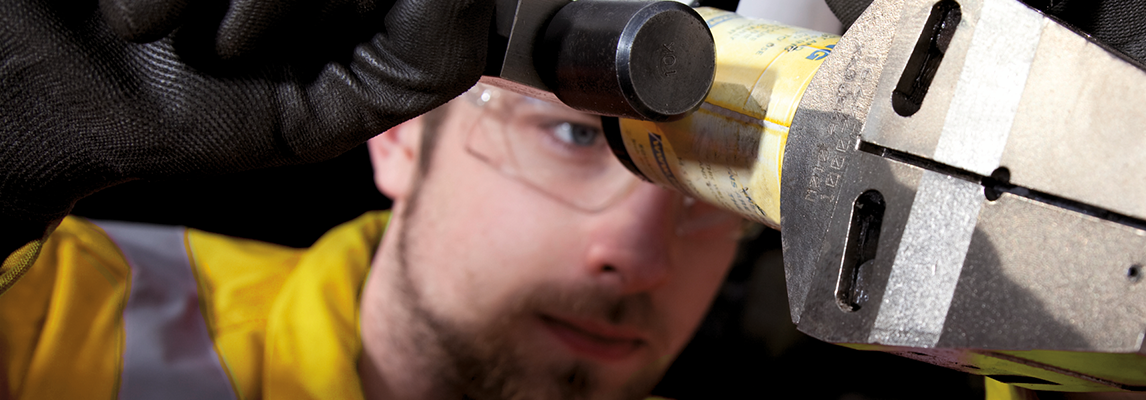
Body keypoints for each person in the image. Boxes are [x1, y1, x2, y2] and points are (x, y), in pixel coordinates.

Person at [0, 84, 749, 400]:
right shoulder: (47, 308)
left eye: (725, 182)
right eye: (575, 135)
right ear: (401, 134)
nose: (641, 258)